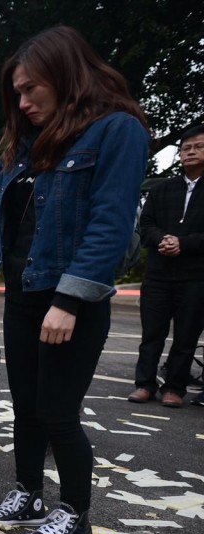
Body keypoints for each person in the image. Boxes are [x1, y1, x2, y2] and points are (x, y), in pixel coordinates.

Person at [0, 26, 150, 534]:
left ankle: (77, 515)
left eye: (30, 89)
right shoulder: (29, 145)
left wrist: (69, 300)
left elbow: (109, 225)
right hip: (23, 291)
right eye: (16, 93)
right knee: (25, 406)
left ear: (66, 75)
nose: (22, 102)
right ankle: (29, 494)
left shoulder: (117, 130)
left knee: (59, 410)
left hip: (69, 298)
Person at [128, 125, 204, 408]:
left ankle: (175, 388)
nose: (191, 152)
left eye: (198, 146)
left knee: (186, 336)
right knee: (152, 334)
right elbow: (145, 225)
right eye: (186, 148)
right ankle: (144, 384)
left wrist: (183, 243)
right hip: (159, 274)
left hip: (196, 276)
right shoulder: (162, 188)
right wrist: (163, 240)